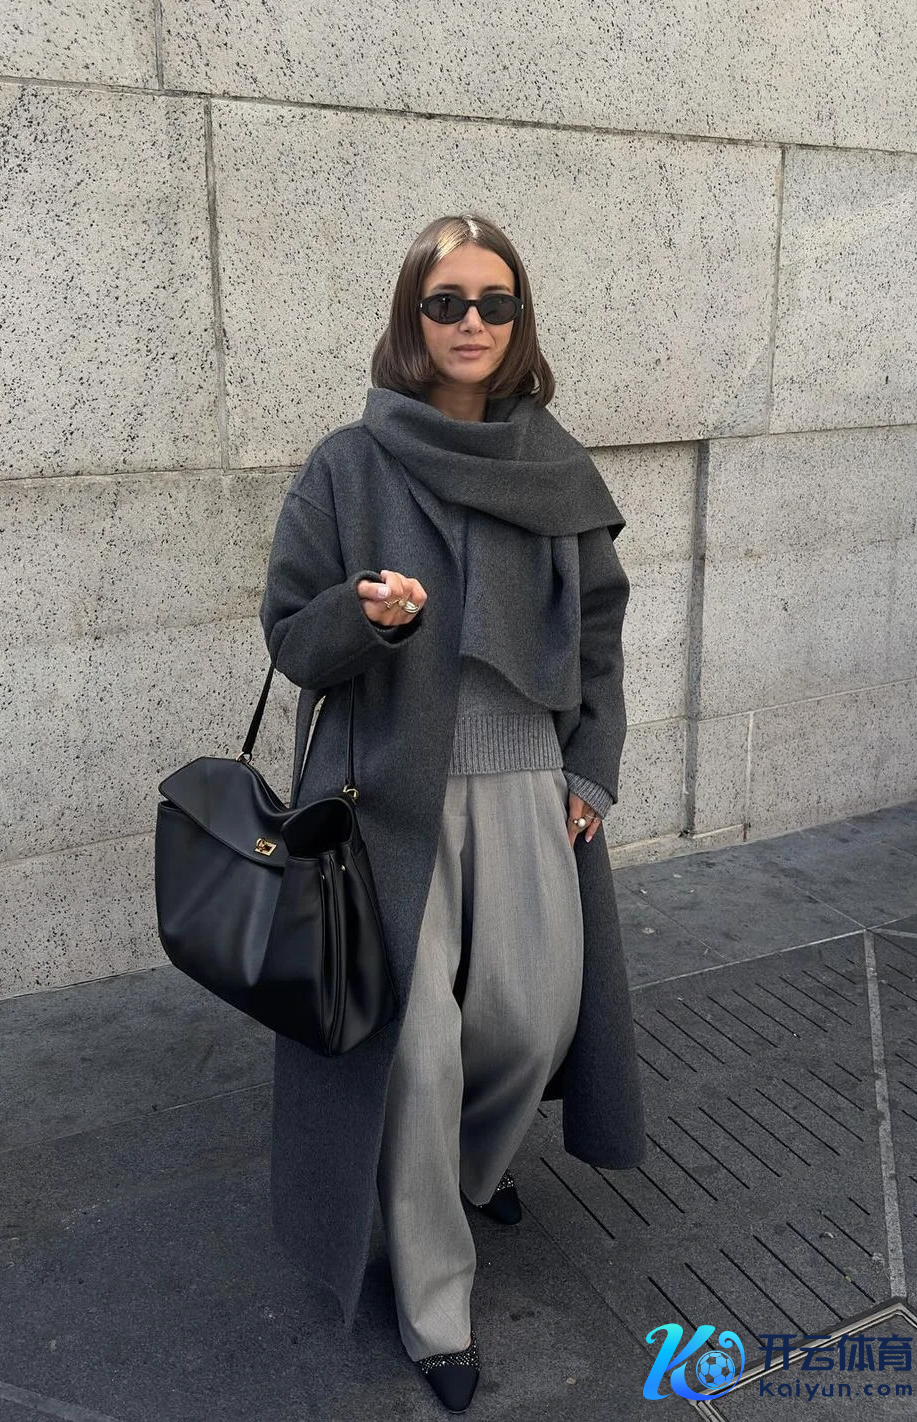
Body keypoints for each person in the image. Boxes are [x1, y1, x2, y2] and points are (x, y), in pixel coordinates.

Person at [259, 212, 646, 1413]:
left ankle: (471, 1172)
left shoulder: (555, 465)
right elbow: (292, 636)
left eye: (493, 301)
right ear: (410, 318)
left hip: (528, 782)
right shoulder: (349, 463)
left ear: (518, 320)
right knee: (415, 1051)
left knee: (529, 1022)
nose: (470, 322)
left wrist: (590, 770)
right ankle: (436, 1303)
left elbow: (598, 637)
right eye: (445, 302)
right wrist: (362, 618)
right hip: (385, 795)